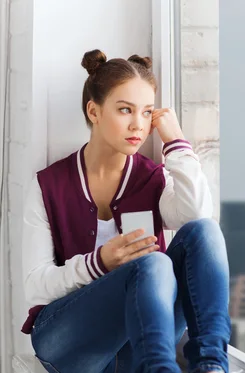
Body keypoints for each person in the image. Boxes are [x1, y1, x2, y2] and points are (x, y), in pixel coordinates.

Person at [19, 49, 230, 373]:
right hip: (68, 344)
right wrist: (100, 263)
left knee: (205, 232)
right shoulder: (49, 185)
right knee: (153, 263)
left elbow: (197, 216)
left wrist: (175, 143)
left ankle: (212, 367)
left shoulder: (152, 178)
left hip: (139, 342)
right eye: (124, 110)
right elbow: (35, 285)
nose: (138, 124)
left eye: (147, 113)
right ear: (94, 111)